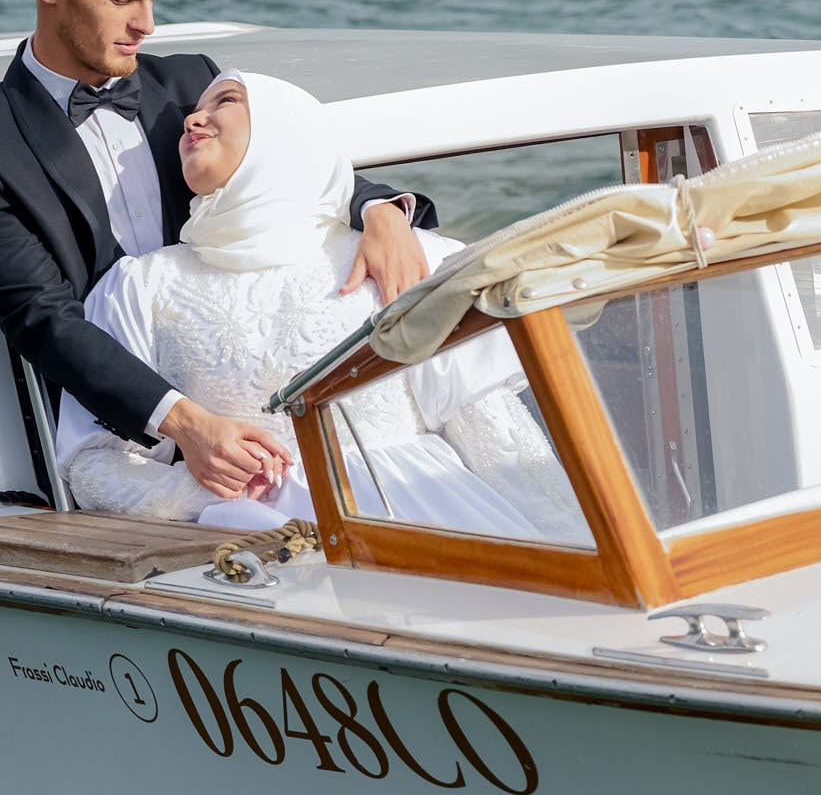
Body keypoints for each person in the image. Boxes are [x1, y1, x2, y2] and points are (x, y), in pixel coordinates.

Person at [0, 0, 435, 501]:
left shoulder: (192, 82)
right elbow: (41, 319)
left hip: (262, 410)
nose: (147, 25)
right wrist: (187, 426)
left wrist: (379, 209)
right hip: (113, 439)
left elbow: (295, 168)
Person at [54, 71, 589, 541]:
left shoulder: (394, 254)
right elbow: (93, 467)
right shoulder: (140, 286)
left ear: (285, 133)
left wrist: (569, 542)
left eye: (227, 103)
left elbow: (488, 430)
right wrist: (213, 492)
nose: (196, 118)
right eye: (197, 108)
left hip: (422, 514)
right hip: (252, 548)